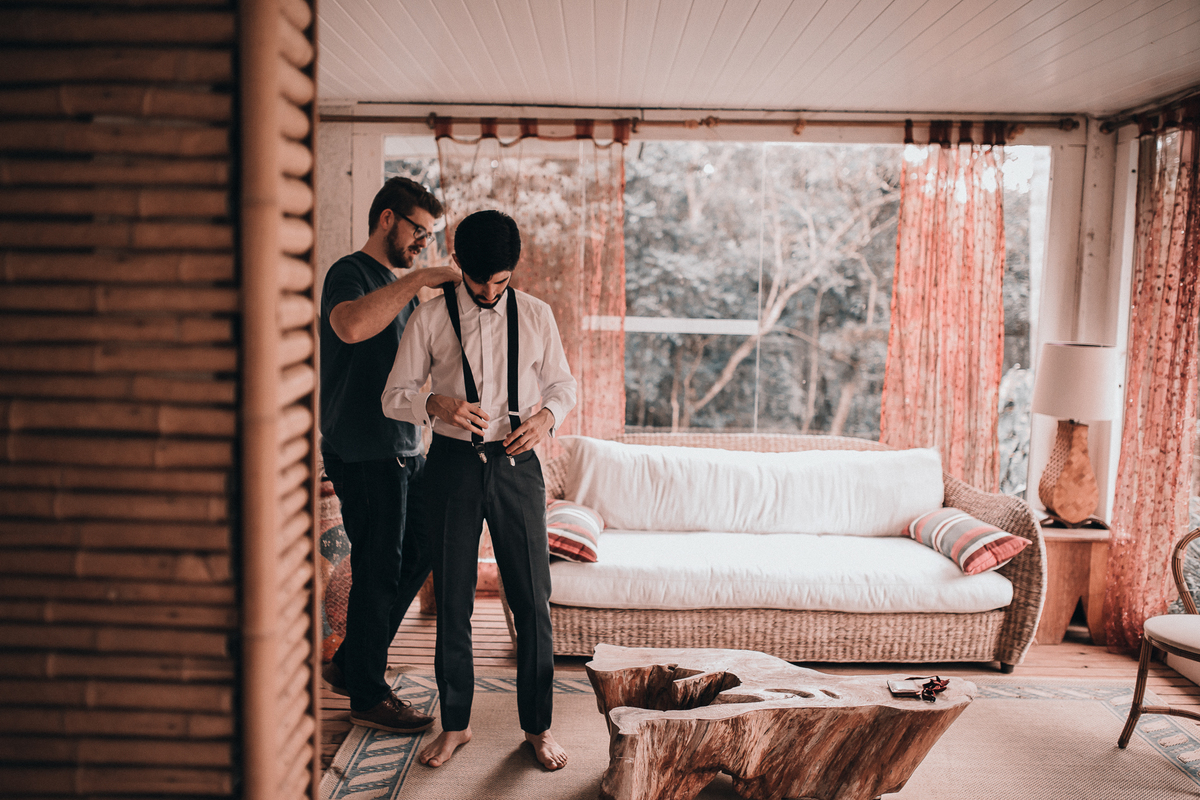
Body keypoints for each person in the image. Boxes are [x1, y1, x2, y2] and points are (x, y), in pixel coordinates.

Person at [381, 209, 577, 770]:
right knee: (455, 603)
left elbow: (563, 383)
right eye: (481, 279)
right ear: (458, 263)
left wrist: (546, 419)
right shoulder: (428, 317)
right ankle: (457, 725)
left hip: (519, 466)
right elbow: (393, 395)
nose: (491, 291)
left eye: (502, 281)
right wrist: (431, 404)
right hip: (451, 465)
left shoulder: (537, 315)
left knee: (532, 601)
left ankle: (538, 728)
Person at [319, 176, 461, 733]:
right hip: (364, 449)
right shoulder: (350, 273)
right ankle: (367, 693)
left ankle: (354, 662)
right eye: (418, 232)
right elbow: (350, 326)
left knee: (420, 547)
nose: (422, 243)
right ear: (386, 219)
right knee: (379, 569)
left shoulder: (394, 285)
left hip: (403, 447)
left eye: (428, 237)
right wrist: (420, 279)